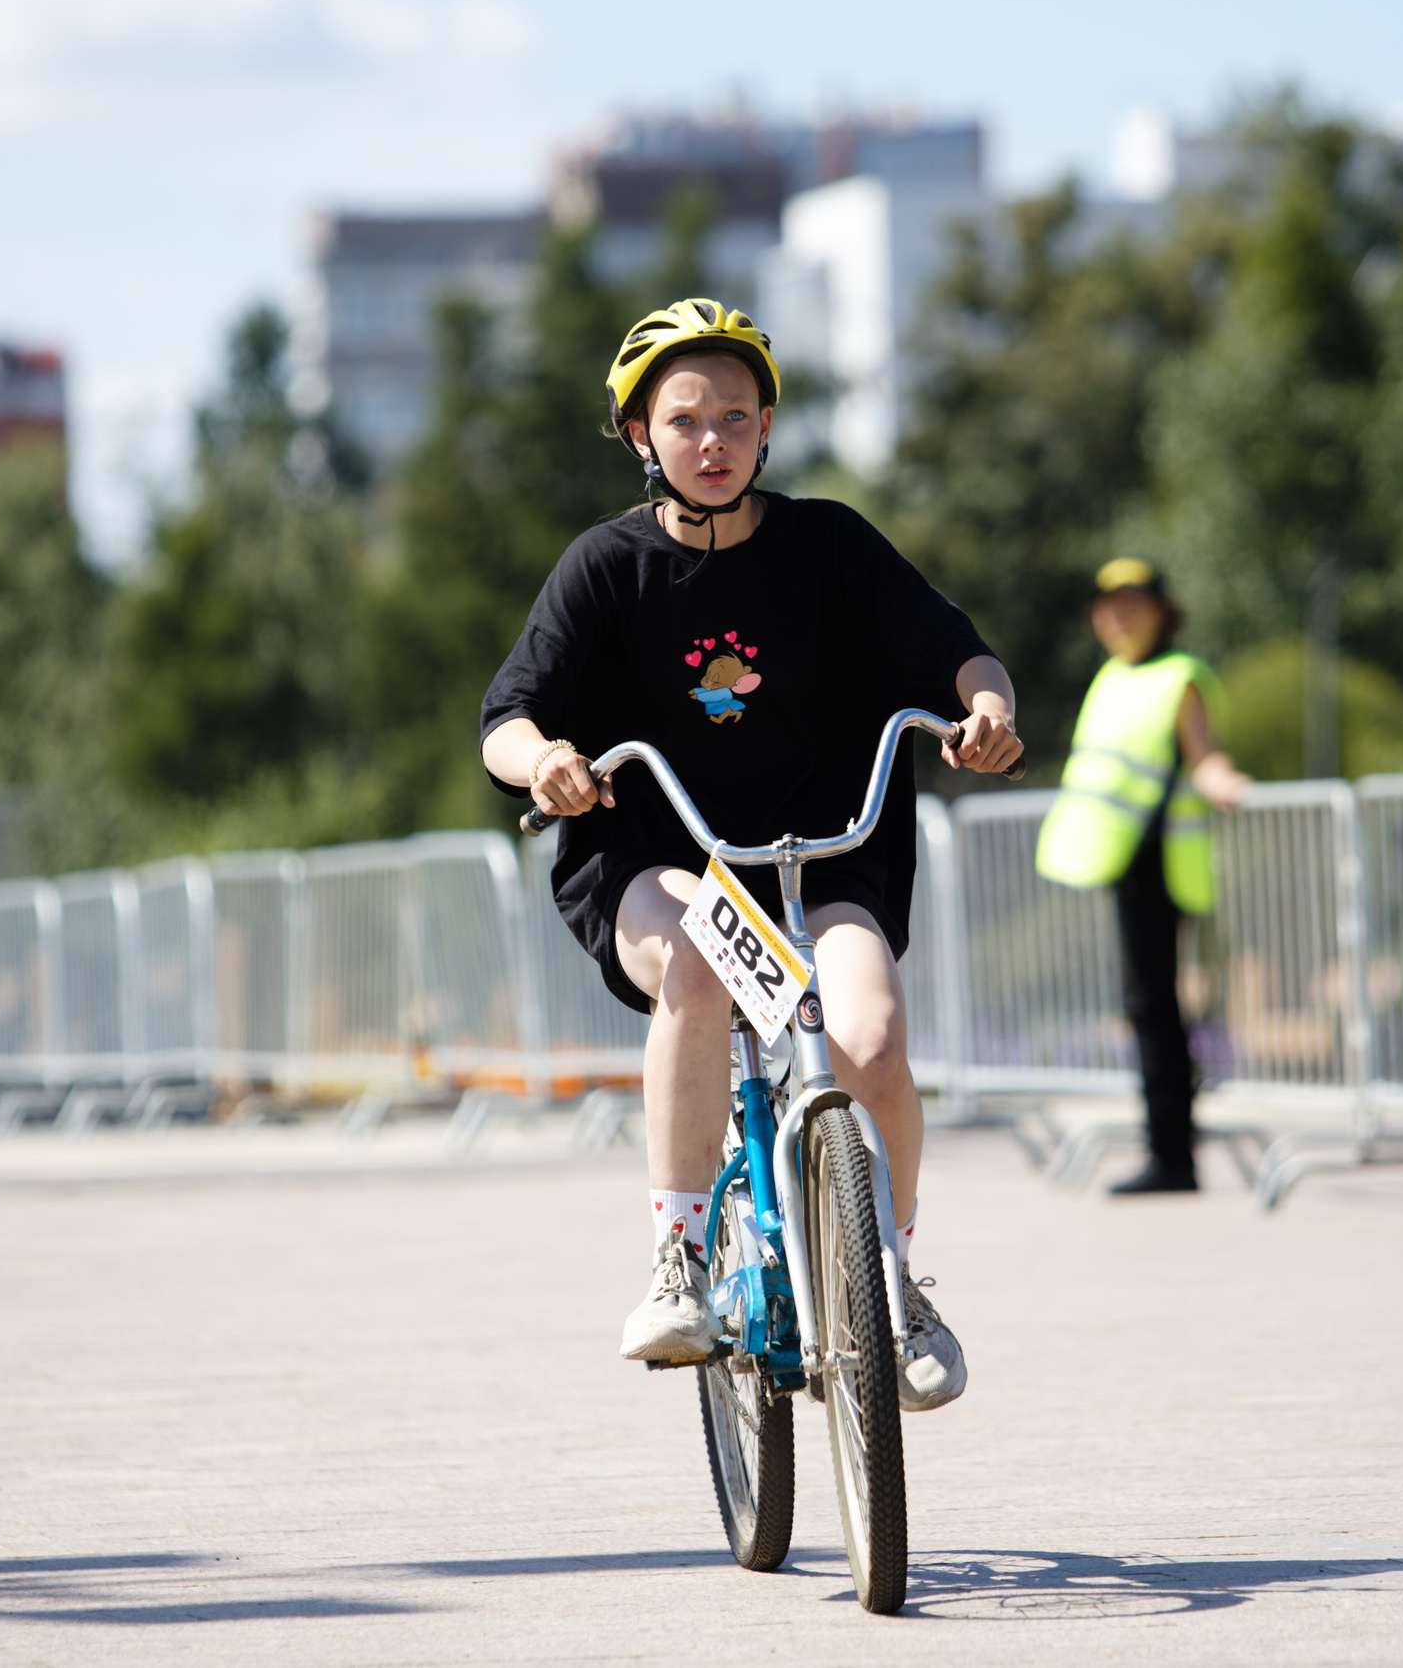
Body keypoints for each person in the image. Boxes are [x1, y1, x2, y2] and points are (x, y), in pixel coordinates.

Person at [479, 298, 1022, 1410]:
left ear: (768, 425)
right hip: (654, 860)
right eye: (685, 421)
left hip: (824, 857)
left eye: (736, 416)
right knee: (702, 958)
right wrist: (543, 763)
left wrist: (985, 714)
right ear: (641, 437)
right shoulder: (604, 568)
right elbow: (508, 716)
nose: (713, 441)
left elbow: (959, 654)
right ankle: (678, 1261)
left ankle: (894, 1282)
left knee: (867, 1038)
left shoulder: (828, 543)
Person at [1036, 558, 1251, 1194]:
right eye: (1109, 607)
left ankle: (1173, 1158)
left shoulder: (1178, 676)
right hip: (1120, 863)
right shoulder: (1111, 676)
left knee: (1156, 1011)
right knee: (1145, 1009)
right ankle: (1166, 1151)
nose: (1119, 617)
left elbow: (1203, 754)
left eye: (1133, 604)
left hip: (1162, 867)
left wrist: (1225, 781)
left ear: (1162, 612)